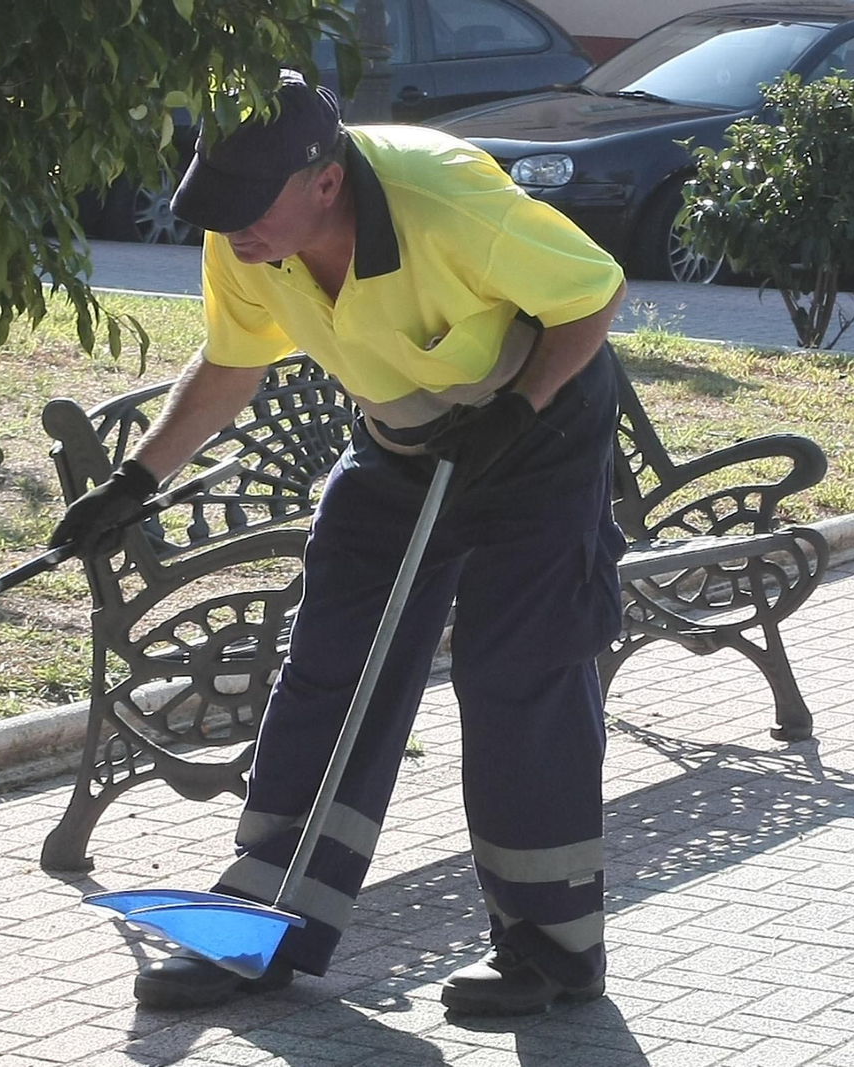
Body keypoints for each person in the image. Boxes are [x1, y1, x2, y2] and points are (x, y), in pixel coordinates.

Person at [52, 69, 628, 1016]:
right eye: (217, 204)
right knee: (329, 669)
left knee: (517, 675)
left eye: (248, 205)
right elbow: (234, 360)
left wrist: (518, 412)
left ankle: (553, 948)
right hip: (400, 447)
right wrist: (135, 482)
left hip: (537, 443)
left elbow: (591, 293)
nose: (232, 228)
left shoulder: (446, 200)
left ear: (325, 179)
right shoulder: (249, 234)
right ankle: (261, 925)